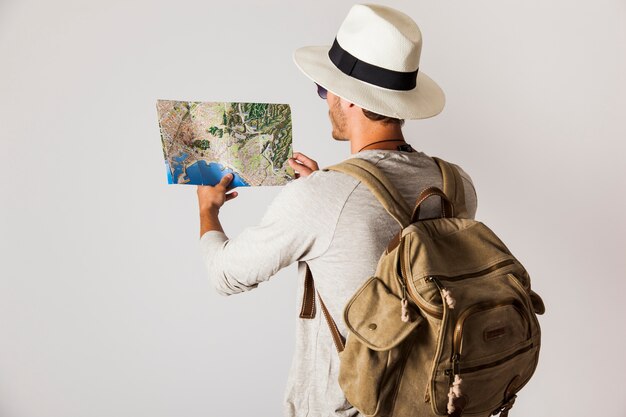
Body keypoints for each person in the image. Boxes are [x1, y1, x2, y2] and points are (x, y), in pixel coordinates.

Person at [196, 4, 478, 417]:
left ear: (348, 99)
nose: (325, 97)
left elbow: (225, 274)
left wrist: (209, 212)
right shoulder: (457, 183)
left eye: (324, 89)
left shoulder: (323, 199)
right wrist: (322, 189)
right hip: (435, 401)